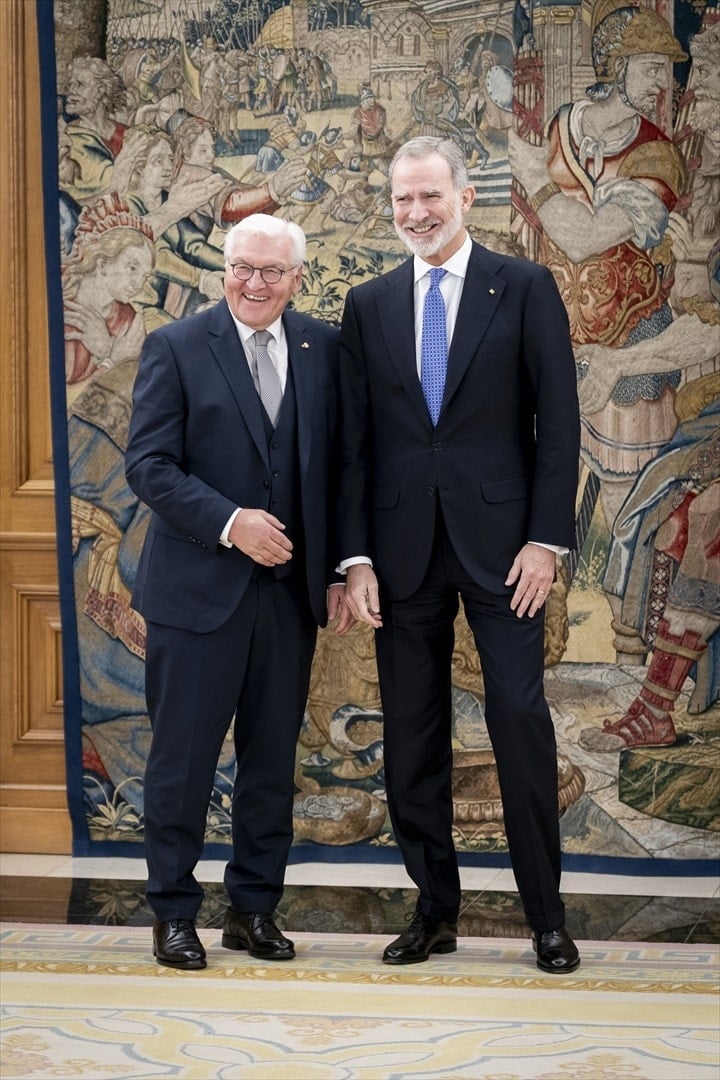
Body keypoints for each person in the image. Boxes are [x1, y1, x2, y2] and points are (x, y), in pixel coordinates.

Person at [336, 136, 581, 973]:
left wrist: (547, 541)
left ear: (465, 197)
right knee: (412, 735)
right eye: (402, 200)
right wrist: (356, 557)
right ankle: (434, 909)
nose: (415, 214)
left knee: (518, 718)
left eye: (429, 197)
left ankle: (547, 917)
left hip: (507, 551)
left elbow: (559, 425)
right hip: (401, 554)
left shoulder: (523, 286)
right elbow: (354, 446)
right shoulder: (367, 305)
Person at [125, 213, 350, 970]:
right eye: (243, 268)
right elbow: (149, 468)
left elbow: (337, 472)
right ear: (225, 270)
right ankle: (174, 915)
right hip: (196, 595)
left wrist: (337, 571)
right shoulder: (177, 347)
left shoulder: (325, 349)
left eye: (272, 272)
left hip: (289, 599)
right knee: (182, 762)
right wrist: (230, 523)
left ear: (296, 279)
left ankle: (253, 910)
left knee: (270, 763)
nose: (256, 284)